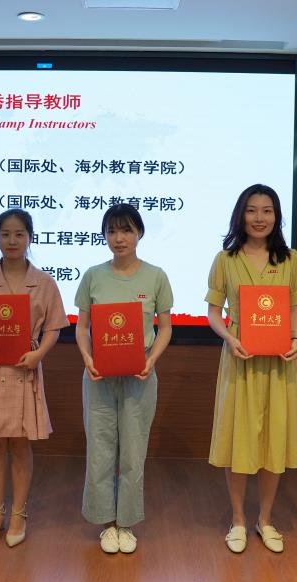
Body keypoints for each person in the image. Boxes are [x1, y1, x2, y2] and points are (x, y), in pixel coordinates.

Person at [0, 209, 68, 547]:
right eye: (5, 234)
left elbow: (54, 327)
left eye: (19, 234)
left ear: (30, 237)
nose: (12, 240)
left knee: (20, 444)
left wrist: (39, 353)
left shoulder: (44, 282)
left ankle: (18, 513)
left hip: (23, 369)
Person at [206, 184, 297, 554]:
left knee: (273, 439)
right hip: (240, 358)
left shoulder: (290, 259)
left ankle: (265, 520)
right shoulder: (226, 259)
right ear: (241, 215)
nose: (259, 218)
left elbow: (295, 309)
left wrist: (296, 339)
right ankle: (238, 520)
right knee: (239, 437)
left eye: (267, 210)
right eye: (252, 210)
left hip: (279, 364)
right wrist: (229, 338)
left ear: (277, 216)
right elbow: (213, 312)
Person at [74, 204, 173, 554]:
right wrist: (87, 358)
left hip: (140, 375)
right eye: (112, 231)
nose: (119, 238)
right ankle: (106, 524)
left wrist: (152, 359)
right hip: (99, 375)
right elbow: (82, 327)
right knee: (100, 449)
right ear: (104, 235)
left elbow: (165, 327)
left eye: (127, 230)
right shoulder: (93, 276)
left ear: (139, 233)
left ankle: (127, 522)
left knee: (133, 450)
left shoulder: (156, 276)